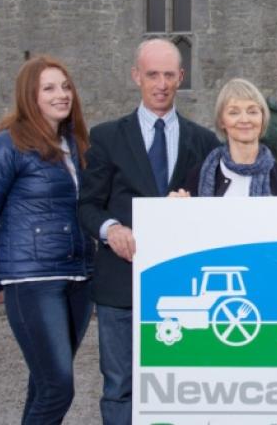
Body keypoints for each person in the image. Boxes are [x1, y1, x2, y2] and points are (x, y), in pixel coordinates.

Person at [78, 38, 219, 424]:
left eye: (169, 75)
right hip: (120, 282)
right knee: (120, 385)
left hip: (180, 284)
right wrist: (110, 229)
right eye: (152, 74)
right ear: (136, 76)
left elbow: (217, 214)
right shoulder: (106, 136)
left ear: (181, 78)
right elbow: (87, 205)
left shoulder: (205, 141)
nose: (161, 84)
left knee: (182, 382)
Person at [0, 55, 93, 424]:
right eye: (49, 88)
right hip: (34, 282)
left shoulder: (78, 146)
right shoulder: (7, 145)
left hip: (78, 278)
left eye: (65, 86)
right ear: (29, 96)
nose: (61, 94)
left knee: (43, 383)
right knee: (58, 387)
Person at [178, 77, 277, 197]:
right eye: (234, 113)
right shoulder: (198, 176)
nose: (244, 119)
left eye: (252, 112)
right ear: (222, 121)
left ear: (262, 118)